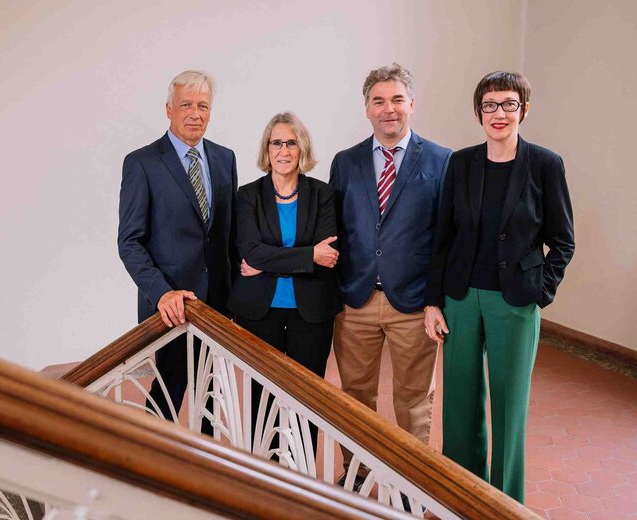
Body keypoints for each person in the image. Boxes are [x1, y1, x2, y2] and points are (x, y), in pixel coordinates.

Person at [424, 71, 575, 503]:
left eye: (509, 104)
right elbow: (443, 236)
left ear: (524, 109)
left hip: (515, 301)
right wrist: (434, 301)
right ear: (478, 112)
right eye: (490, 105)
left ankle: (504, 503)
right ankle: (459, 495)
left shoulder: (546, 165)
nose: (499, 113)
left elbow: (563, 240)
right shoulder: (461, 162)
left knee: (510, 407)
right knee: (460, 407)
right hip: (460, 299)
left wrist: (541, 289)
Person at [329, 63, 452, 484]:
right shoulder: (345, 163)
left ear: (412, 105)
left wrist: (436, 299)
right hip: (356, 300)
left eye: (397, 99)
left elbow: (444, 239)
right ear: (366, 109)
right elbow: (337, 229)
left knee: (414, 400)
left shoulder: (441, 161)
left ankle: (411, 483)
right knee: (355, 397)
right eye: (378, 101)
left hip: (414, 304)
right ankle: (356, 476)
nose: (389, 109)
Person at [118, 70, 238, 432]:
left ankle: (202, 470)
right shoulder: (142, 163)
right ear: (169, 109)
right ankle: (151, 463)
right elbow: (130, 241)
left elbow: (227, 234)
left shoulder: (224, 158)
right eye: (186, 105)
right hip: (170, 305)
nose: (195, 113)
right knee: (168, 392)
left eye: (203, 106)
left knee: (213, 393)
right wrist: (162, 293)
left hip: (216, 305)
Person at [228, 112, 341, 457]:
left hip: (311, 312)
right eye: (276, 142)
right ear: (267, 149)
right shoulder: (247, 196)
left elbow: (329, 254)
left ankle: (303, 473)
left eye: (291, 142)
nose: (283, 150)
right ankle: (264, 472)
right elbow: (250, 251)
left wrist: (268, 262)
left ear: (301, 147)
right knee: (261, 396)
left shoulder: (323, 194)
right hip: (259, 312)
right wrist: (308, 257)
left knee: (308, 396)